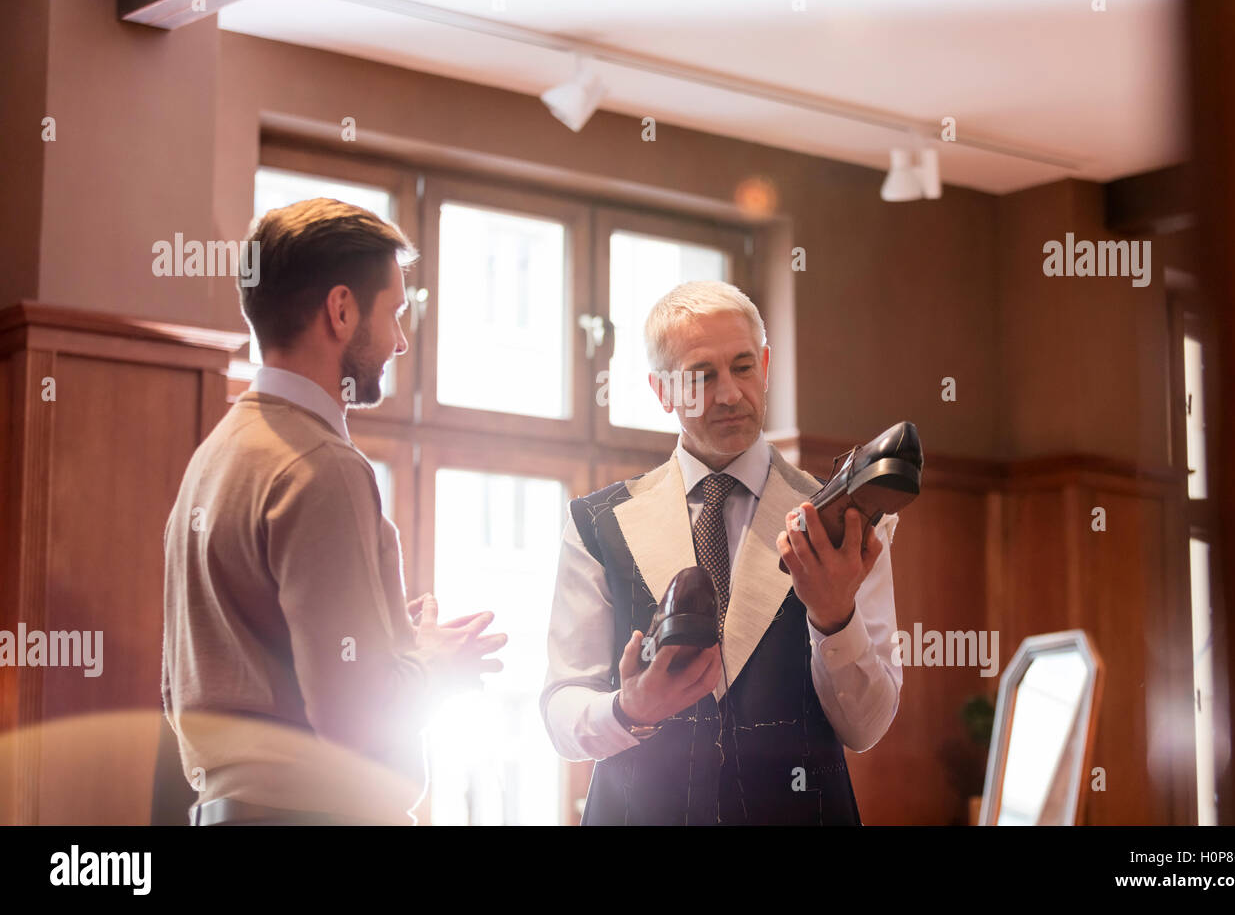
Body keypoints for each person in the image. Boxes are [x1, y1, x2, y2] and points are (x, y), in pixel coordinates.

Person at [162, 198, 505, 825]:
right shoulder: (323, 466)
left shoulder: (216, 455)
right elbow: (354, 720)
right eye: (396, 312)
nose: (401, 341)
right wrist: (430, 662)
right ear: (341, 310)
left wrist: (383, 637)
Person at [541, 280, 901, 825]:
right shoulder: (598, 524)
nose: (730, 393)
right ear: (663, 391)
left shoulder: (842, 522)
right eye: (701, 376)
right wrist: (627, 710)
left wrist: (835, 619)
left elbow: (866, 726)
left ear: (766, 365)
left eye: (742, 367)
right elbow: (562, 706)